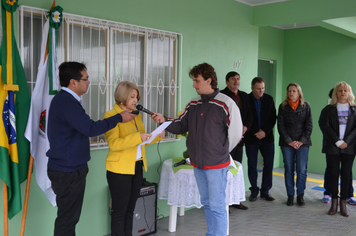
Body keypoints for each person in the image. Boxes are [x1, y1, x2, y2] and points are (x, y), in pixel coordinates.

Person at [46, 62, 136, 236]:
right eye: (85, 79)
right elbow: (90, 128)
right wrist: (118, 117)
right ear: (73, 82)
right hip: (68, 172)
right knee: (67, 219)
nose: (88, 82)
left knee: (69, 218)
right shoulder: (67, 103)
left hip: (70, 168)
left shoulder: (67, 101)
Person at [153, 63, 243, 236]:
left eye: (197, 81)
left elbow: (236, 133)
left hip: (217, 165)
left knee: (217, 206)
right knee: (207, 203)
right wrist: (164, 120)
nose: (194, 85)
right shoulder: (193, 104)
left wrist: (221, 151)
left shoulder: (226, 103)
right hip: (198, 164)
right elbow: (180, 126)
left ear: (208, 80)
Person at [104, 81, 164, 236]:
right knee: (119, 212)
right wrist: (138, 137)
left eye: (136, 97)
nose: (135, 100)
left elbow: (141, 141)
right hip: (119, 170)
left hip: (136, 167)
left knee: (130, 210)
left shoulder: (136, 116)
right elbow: (114, 144)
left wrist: (158, 135)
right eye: (132, 96)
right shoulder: (111, 116)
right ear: (122, 96)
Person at [323, 82, 356, 217]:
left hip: (349, 147)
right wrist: (337, 141)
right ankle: (334, 204)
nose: (343, 93)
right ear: (336, 93)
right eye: (340, 90)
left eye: (345, 91)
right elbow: (325, 126)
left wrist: (346, 142)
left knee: (346, 175)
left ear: (349, 93)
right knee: (333, 174)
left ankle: (343, 204)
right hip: (332, 147)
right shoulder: (328, 109)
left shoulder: (354, 109)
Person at [220, 71, 252, 210]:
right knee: (224, 170)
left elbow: (250, 115)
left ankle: (235, 200)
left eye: (238, 79)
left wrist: (244, 127)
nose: (236, 81)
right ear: (227, 82)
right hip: (224, 140)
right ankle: (223, 202)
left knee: (236, 168)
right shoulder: (221, 96)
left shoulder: (244, 96)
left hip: (240, 139)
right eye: (233, 79)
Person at [277, 83, 312, 206]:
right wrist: (289, 141)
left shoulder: (306, 106)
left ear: (299, 93)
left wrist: (301, 141)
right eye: (289, 91)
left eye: (294, 91)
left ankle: (300, 195)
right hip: (287, 143)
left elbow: (309, 125)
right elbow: (280, 126)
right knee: (289, 169)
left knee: (301, 170)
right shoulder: (282, 107)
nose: (291, 93)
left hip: (303, 143)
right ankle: (290, 195)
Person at [244, 77, 276, 202]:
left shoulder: (269, 99)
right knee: (252, 165)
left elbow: (273, 118)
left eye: (263, 88)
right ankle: (254, 191)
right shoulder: (246, 99)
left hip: (267, 138)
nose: (261, 91)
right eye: (258, 89)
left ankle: (265, 191)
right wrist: (255, 133)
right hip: (251, 138)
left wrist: (264, 131)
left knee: (268, 164)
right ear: (252, 88)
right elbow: (244, 118)